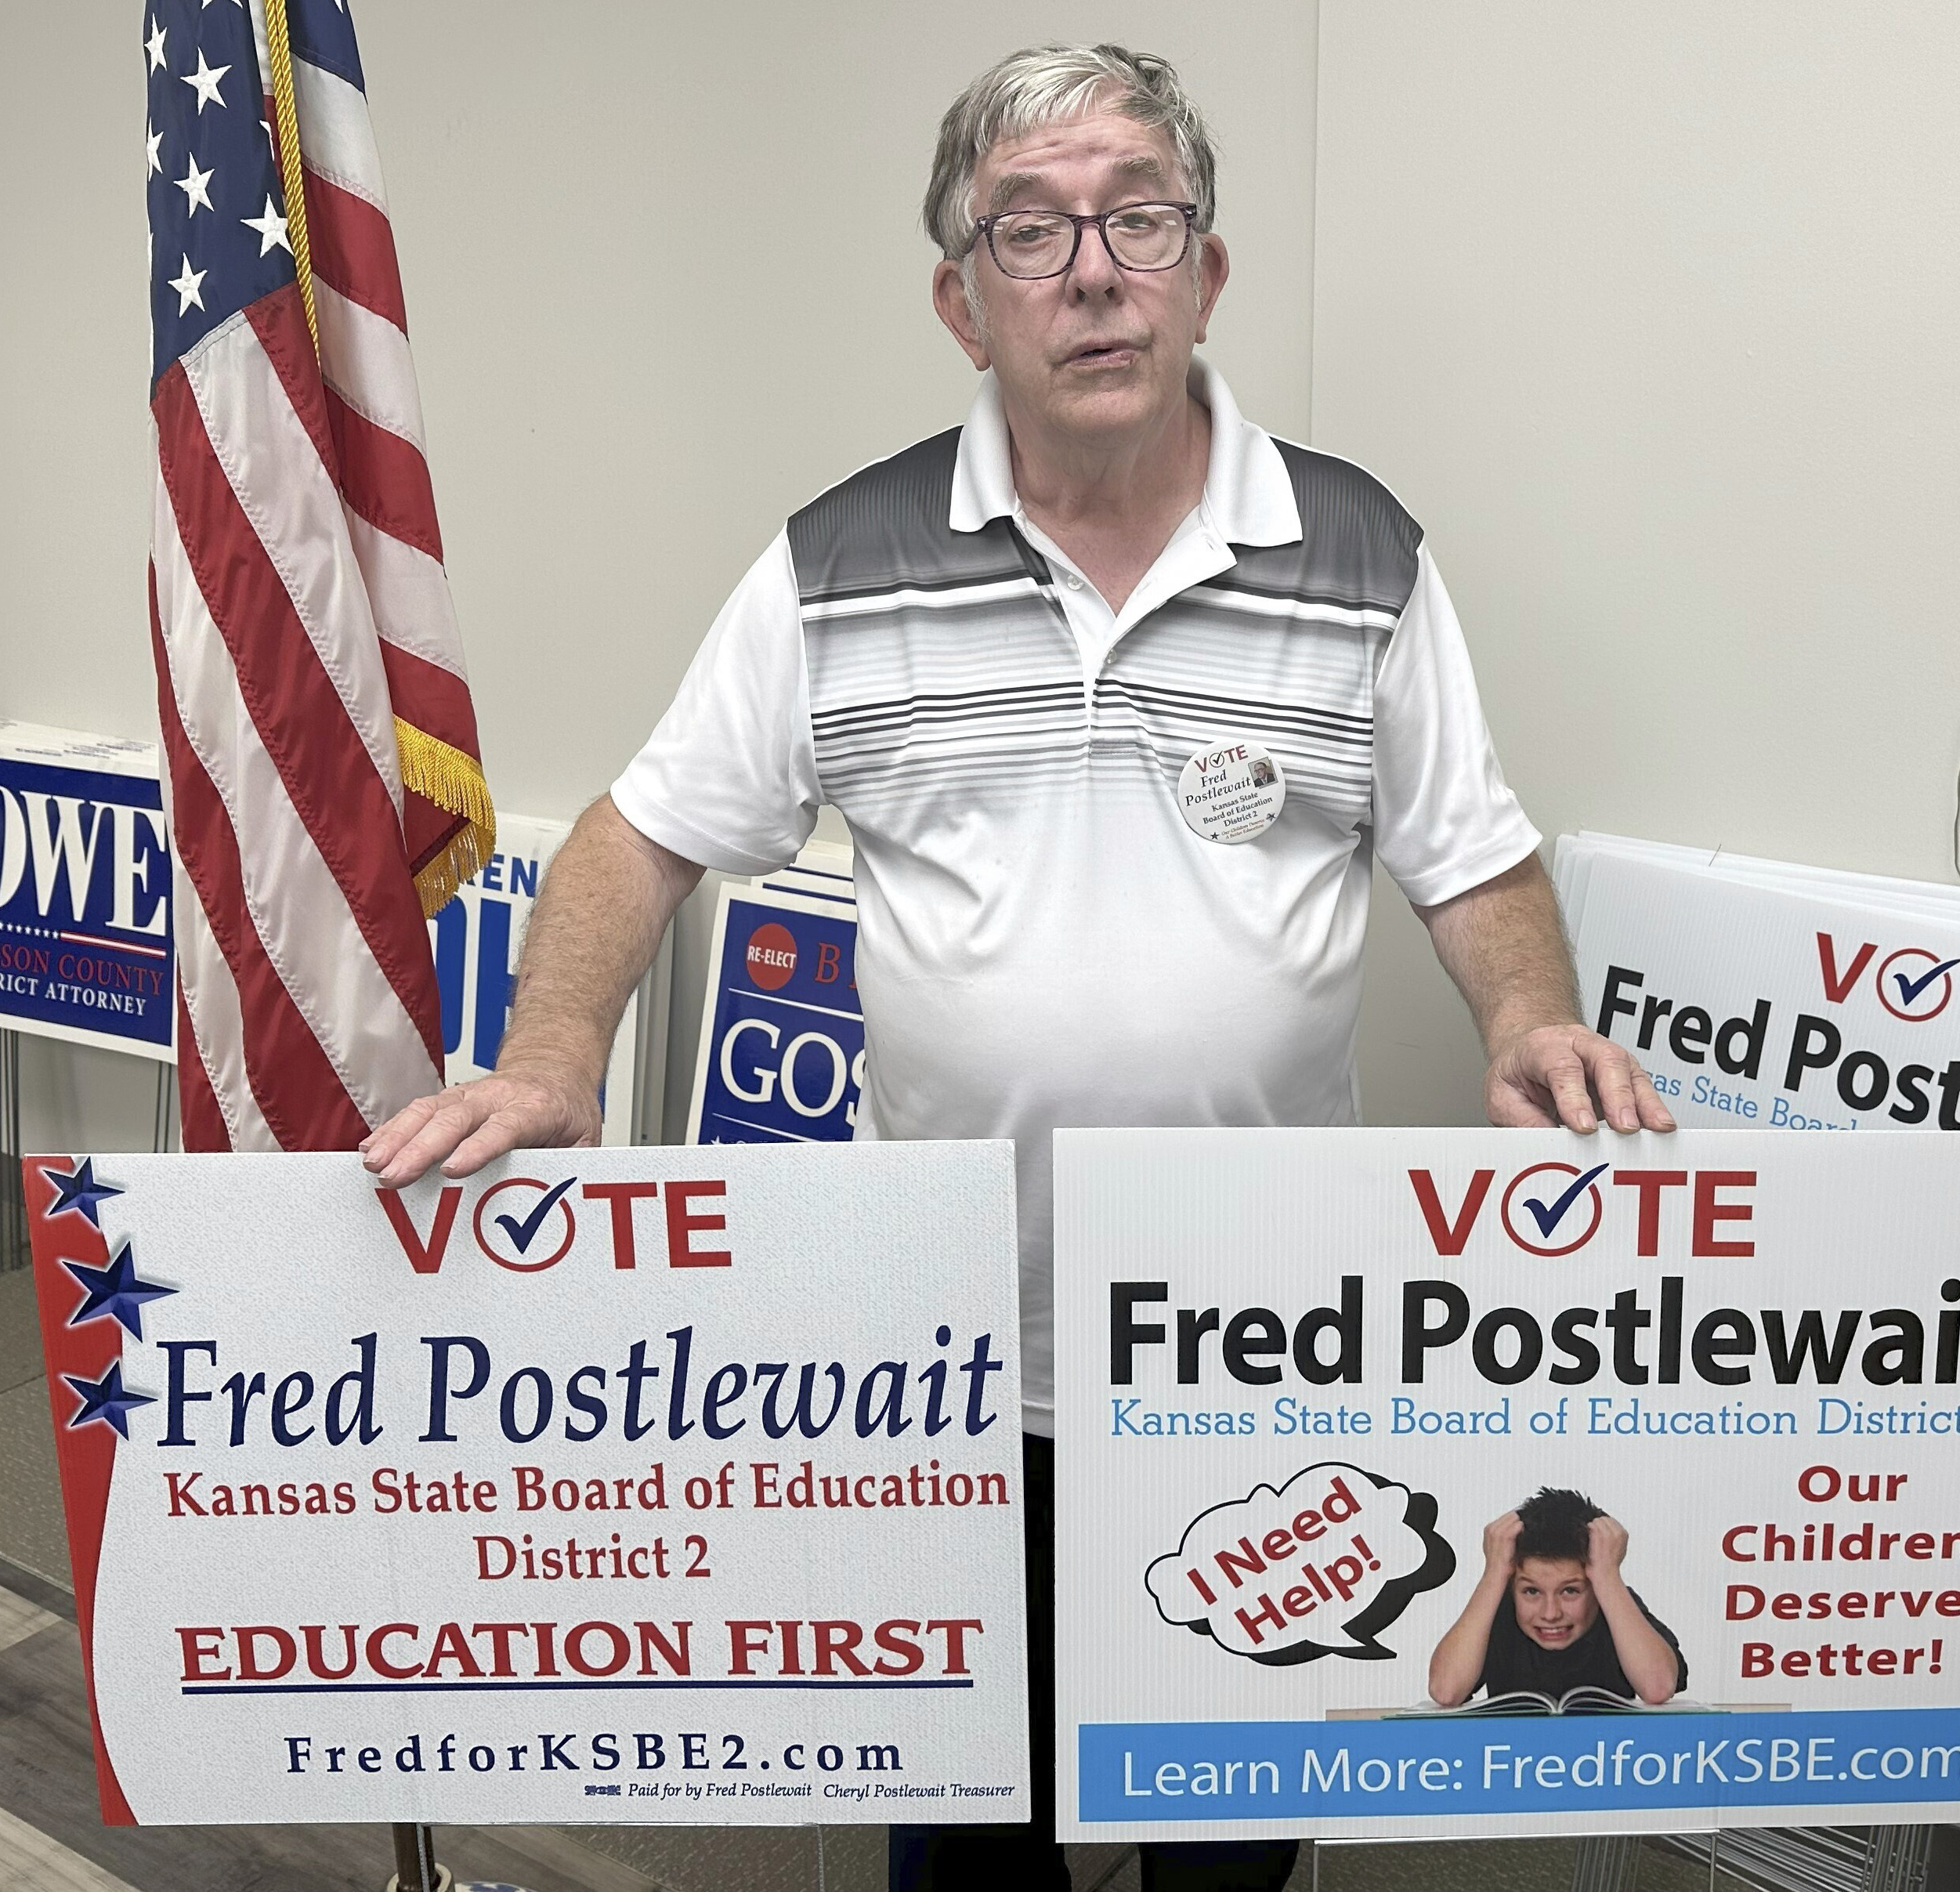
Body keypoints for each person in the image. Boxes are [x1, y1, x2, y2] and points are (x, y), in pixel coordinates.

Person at [362, 41, 1673, 1892]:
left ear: (1204, 269)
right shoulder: (843, 561)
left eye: (1139, 216)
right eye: (1029, 229)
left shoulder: (1356, 550)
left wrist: (1528, 1011)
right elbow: (643, 829)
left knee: (1223, 1854)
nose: (1091, 267)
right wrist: (559, 1051)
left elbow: (1468, 850)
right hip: (949, 1367)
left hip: (1254, 1371)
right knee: (970, 1855)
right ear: (959, 301)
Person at [1426, 1489, 1686, 1709]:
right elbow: (1446, 1691)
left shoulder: (1616, 1603)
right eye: (1531, 1591)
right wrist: (1495, 1571)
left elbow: (1658, 1688)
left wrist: (1608, 1575)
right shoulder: (1498, 1607)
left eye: (1570, 1591)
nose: (1550, 1614)